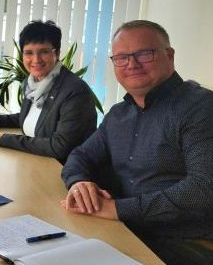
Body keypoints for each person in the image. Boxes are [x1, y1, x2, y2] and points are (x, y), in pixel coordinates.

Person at [61, 20, 213, 265]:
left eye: (144, 53)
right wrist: (78, 182)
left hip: (183, 242)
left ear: (170, 55)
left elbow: (204, 189)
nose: (132, 64)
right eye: (121, 57)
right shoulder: (118, 114)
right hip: (124, 229)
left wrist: (118, 209)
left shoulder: (201, 108)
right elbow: (80, 156)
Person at [0, 20, 97, 163]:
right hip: (35, 160)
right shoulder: (32, 82)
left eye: (44, 52)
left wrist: (3, 139)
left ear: (56, 53)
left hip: (61, 168)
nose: (36, 59)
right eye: (29, 53)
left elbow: (60, 146)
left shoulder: (74, 91)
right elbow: (31, 117)